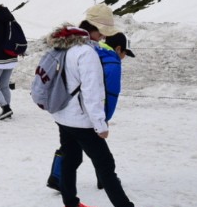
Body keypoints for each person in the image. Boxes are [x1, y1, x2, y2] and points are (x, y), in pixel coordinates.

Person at [44, 8, 159, 207]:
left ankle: (71, 205)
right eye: (103, 32)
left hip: (62, 115)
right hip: (81, 119)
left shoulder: (67, 46)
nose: (104, 37)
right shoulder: (87, 53)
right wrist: (100, 124)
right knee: (105, 165)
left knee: (70, 159)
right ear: (93, 29)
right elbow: (92, 92)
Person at [47, 28, 134, 190]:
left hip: (67, 108)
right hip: (90, 114)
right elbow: (109, 95)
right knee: (101, 156)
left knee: (69, 149)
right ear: (118, 49)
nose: (123, 58)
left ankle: (57, 178)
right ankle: (103, 182)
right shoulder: (112, 63)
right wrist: (102, 120)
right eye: (124, 53)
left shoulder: (91, 51)